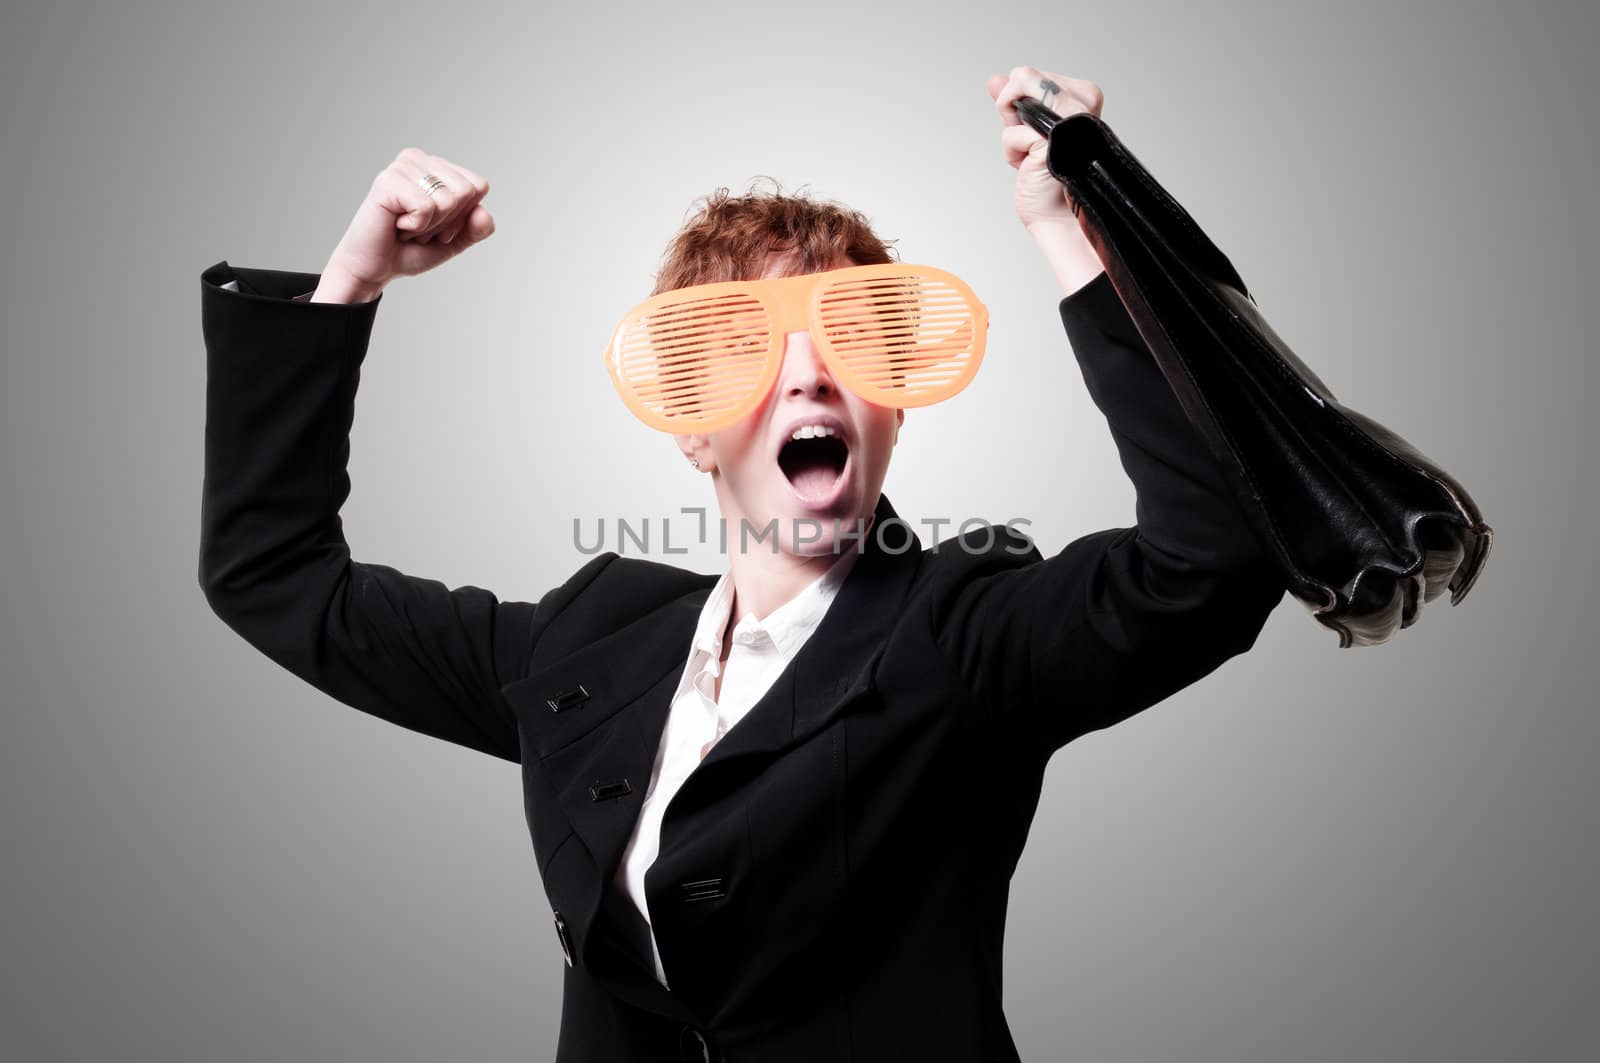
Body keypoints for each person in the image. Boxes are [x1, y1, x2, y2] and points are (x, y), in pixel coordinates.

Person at [197, 66, 1285, 1062]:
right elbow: (274, 573)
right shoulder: (586, 645)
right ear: (687, 423)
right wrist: (351, 282)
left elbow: (1215, 559)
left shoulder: (966, 635)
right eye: (747, 353)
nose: (807, 381)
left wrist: (1083, 235)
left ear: (894, 403)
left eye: (852, 343)